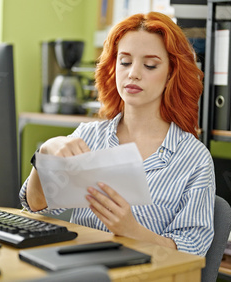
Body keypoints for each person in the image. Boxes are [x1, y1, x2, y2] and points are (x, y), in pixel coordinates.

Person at [19, 11, 215, 256]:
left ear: (170, 74)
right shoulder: (89, 136)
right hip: (82, 268)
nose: (133, 73)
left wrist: (131, 229)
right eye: (124, 61)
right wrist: (45, 152)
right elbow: (36, 205)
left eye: (150, 65)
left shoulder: (194, 158)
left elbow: (193, 251)